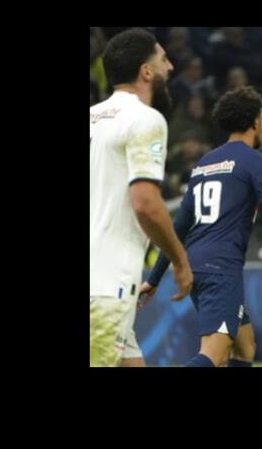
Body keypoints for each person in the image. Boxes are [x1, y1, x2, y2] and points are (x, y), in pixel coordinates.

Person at [145, 86, 262, 367]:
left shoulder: (205, 162)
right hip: (221, 269)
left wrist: (154, 278)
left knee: (245, 346)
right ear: (255, 121)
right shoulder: (257, 161)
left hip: (196, 266)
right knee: (213, 356)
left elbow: (179, 226)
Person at [90, 28, 193, 367]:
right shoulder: (145, 119)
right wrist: (179, 260)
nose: (171, 67)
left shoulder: (92, 119)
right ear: (146, 71)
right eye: (163, 59)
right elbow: (145, 203)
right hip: (105, 286)